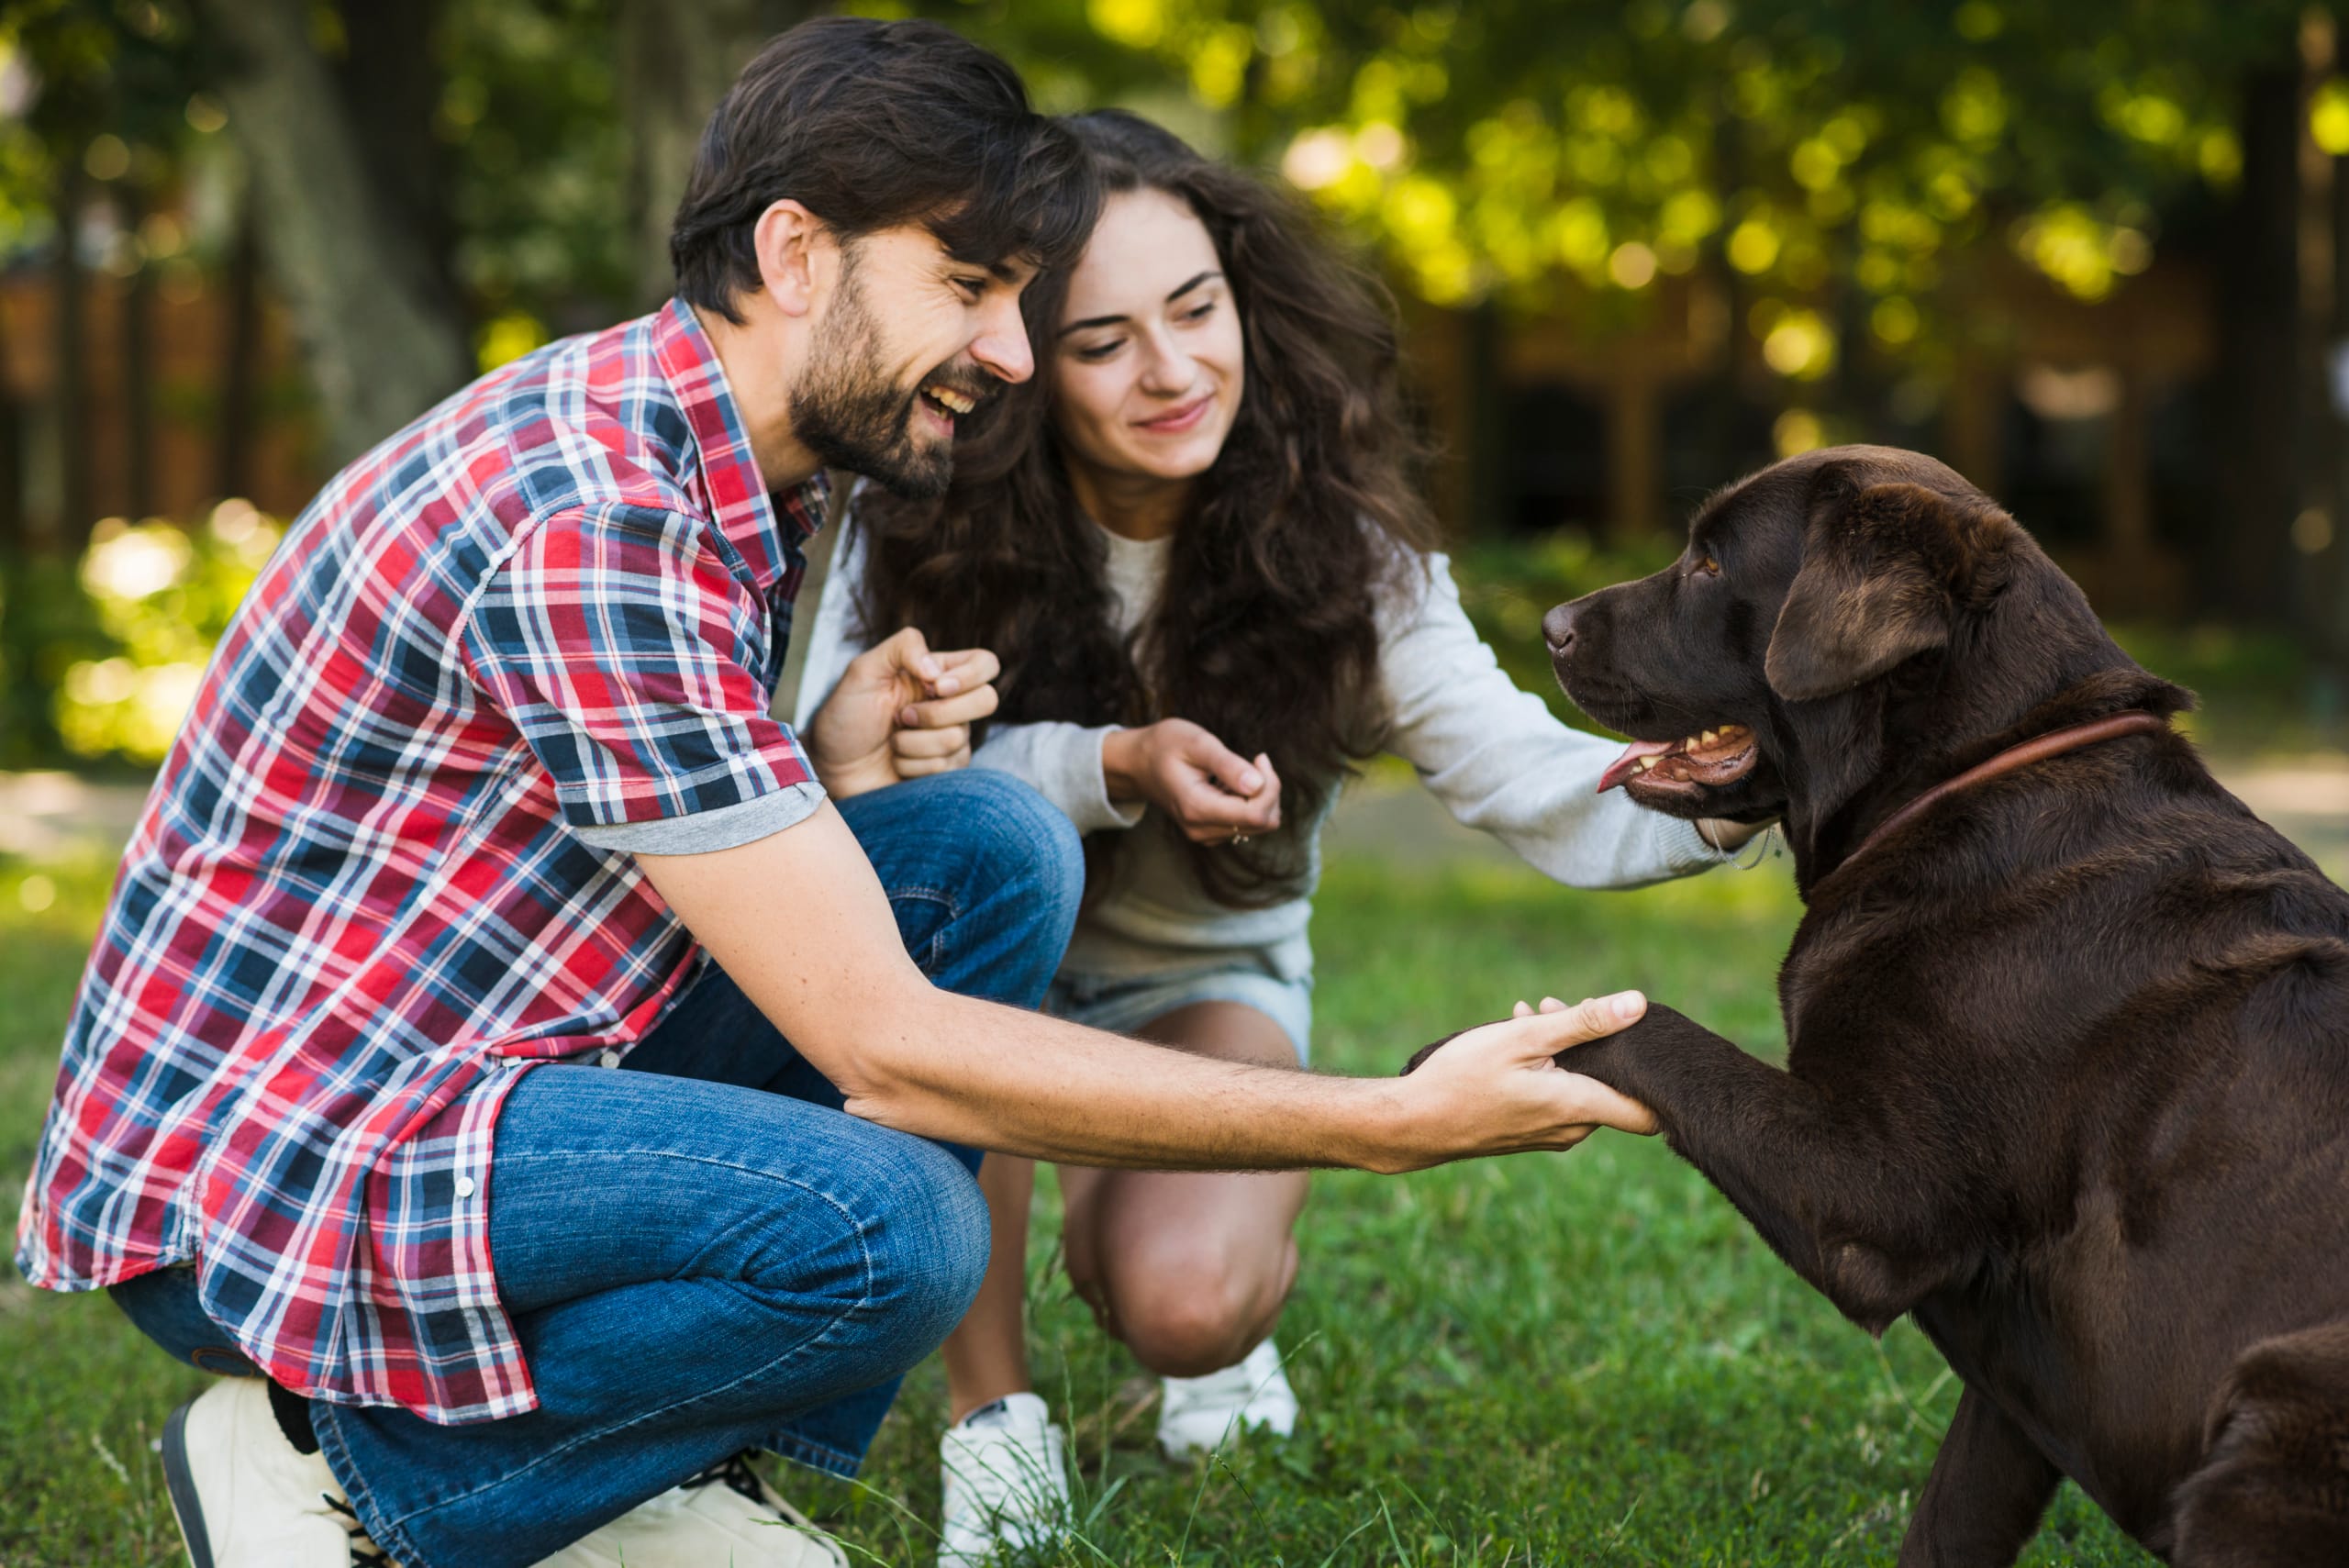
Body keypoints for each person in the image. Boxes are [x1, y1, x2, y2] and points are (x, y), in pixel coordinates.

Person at [12, 24, 1660, 1568]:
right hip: (269, 1180)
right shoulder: (599, 519)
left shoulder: (737, 455)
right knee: (891, 1231)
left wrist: (828, 767)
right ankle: (347, 1466)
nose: (1009, 353)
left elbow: (608, 840)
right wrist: (1393, 1117)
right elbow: (885, 1044)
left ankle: (643, 1461)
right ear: (798, 255)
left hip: (475, 1068)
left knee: (986, 847)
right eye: (973, 287)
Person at [799, 108, 1769, 1564]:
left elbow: (1522, 775)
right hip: (969, 973)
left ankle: (1193, 1289)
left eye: (1197, 311)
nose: (1174, 370)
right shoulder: (912, 515)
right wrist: (1107, 759)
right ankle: (992, 1423)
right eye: (1104, 340)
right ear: (1018, 365)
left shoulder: (1345, 551)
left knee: (1187, 1306)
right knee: (983, 892)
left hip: (1202, 985)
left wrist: (1722, 784)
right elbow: (818, 764)